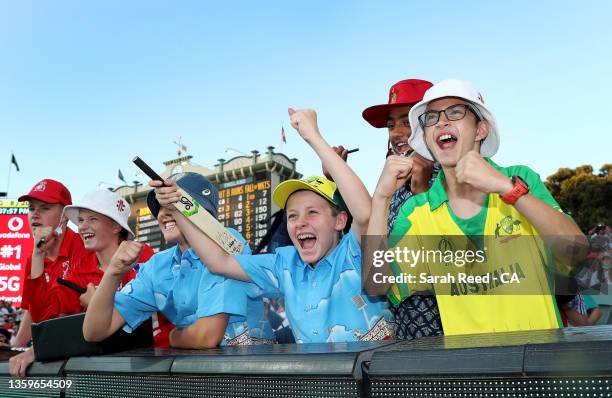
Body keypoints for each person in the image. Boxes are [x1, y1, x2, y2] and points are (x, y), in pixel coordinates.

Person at [152, 109, 395, 343]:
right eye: (292, 216)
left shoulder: (355, 252)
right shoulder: (285, 265)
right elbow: (220, 262)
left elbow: (364, 214)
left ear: (340, 221)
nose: (300, 222)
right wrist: (177, 206)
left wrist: (313, 137)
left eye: (312, 213)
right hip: (320, 383)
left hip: (375, 382)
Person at [368, 79, 588, 336]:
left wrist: (509, 190)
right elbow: (376, 285)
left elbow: (576, 252)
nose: (441, 122)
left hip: (538, 367)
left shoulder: (519, 179)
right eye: (430, 118)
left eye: (455, 112)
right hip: (470, 371)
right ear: (426, 138)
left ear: (481, 129)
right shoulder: (417, 211)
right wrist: (381, 199)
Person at [83, 172, 274, 348]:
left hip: (253, 375)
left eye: (175, 206)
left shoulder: (226, 241)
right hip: (204, 376)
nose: (164, 214)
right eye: (161, 207)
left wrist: (174, 337)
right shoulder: (158, 266)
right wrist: (113, 273)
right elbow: (94, 332)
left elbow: (207, 336)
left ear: (203, 214)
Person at [361, 78, 443, 340]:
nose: (396, 133)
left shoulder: (458, 176)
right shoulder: (390, 187)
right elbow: (376, 279)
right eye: (390, 125)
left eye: (406, 122)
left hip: (461, 337)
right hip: (409, 341)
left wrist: (422, 192)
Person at [10, 179, 96, 377]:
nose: (35, 215)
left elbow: (79, 316)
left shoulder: (85, 247)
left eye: (45, 208)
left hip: (84, 360)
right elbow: (35, 313)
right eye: (31, 208)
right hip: (56, 354)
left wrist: (38, 349)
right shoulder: (34, 258)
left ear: (64, 216)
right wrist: (15, 347)